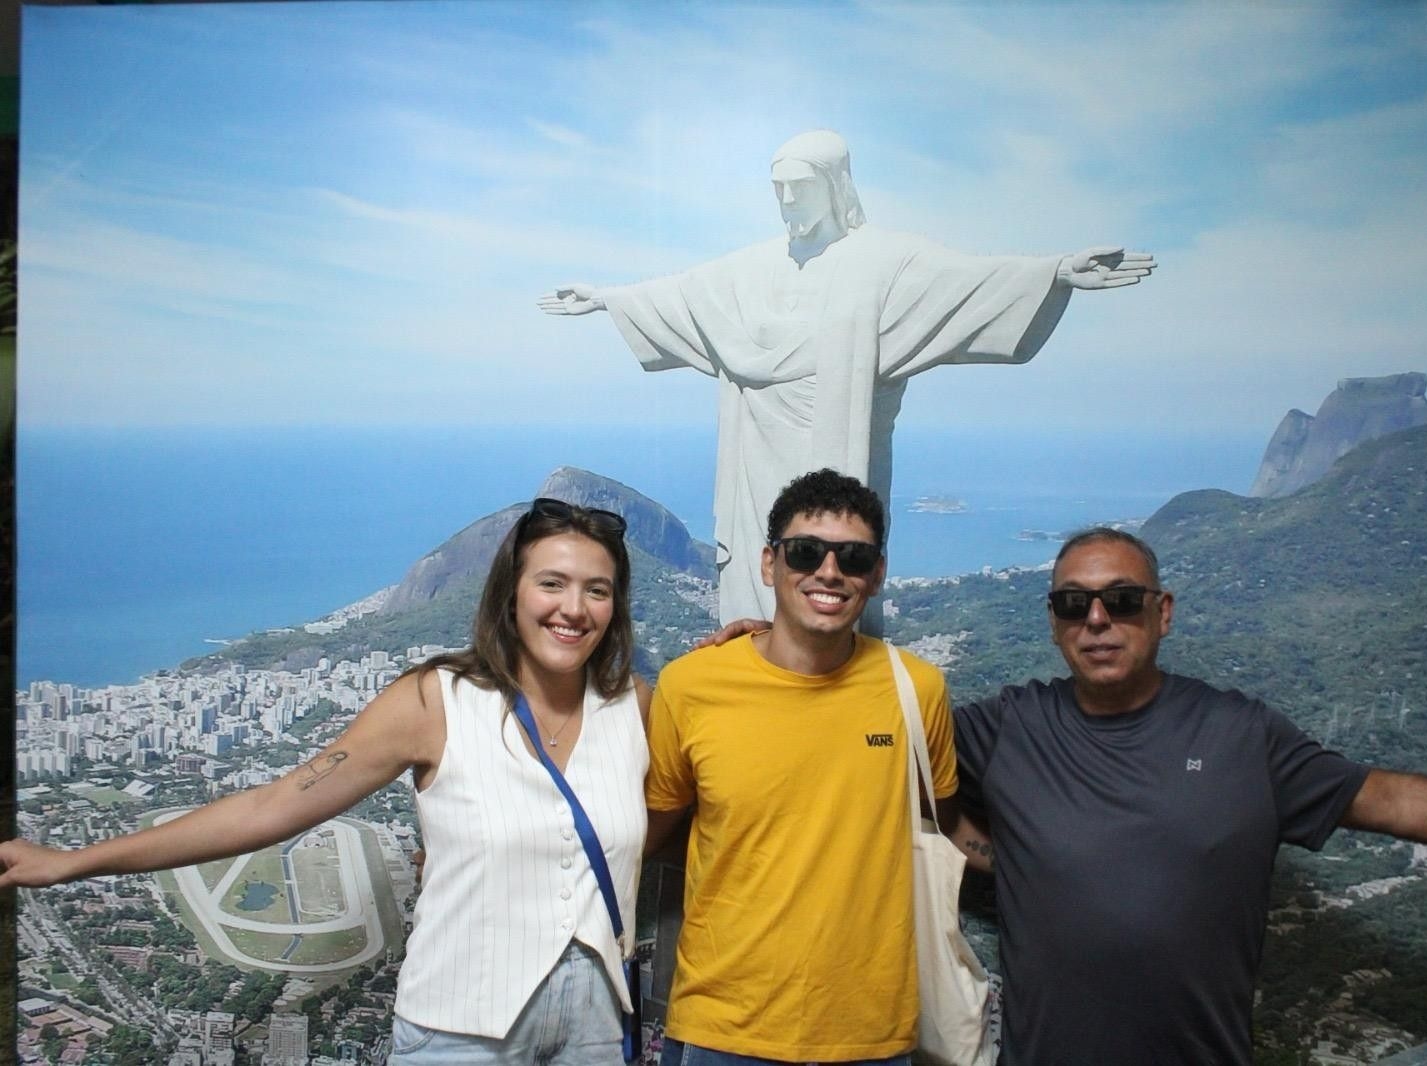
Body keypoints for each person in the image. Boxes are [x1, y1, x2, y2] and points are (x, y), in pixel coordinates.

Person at [0, 498, 651, 1065]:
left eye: (597, 589)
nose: (574, 608)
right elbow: (272, 807)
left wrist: (745, 640)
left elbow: (683, 799)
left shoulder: (635, 708)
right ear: (511, 593)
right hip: (463, 1031)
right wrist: (73, 863)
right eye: (552, 584)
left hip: (592, 1032)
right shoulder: (434, 702)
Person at [952, 526, 1427, 1065]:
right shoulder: (1005, 727)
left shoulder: (1240, 734)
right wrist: (1012, 860)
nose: (1097, 618)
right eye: (1074, 603)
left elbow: (1393, 801)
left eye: (1122, 599)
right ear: (1054, 621)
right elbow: (894, 780)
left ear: (1163, 611)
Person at [537, 129, 1155, 631]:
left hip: (840, 453)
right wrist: (608, 299)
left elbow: (972, 283)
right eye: (777, 189)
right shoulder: (749, 269)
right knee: (757, 587)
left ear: (833, 186)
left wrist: (1057, 274)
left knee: (834, 565)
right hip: (755, 463)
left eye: (799, 188)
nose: (786, 203)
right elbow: (680, 297)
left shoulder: (886, 263)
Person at [642, 468, 959, 1066]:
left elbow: (935, 815)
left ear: (878, 573)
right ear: (770, 564)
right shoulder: (691, 685)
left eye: (854, 557)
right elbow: (654, 825)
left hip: (870, 1029)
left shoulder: (918, 691)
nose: (829, 572)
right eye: (806, 552)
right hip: (723, 1025)